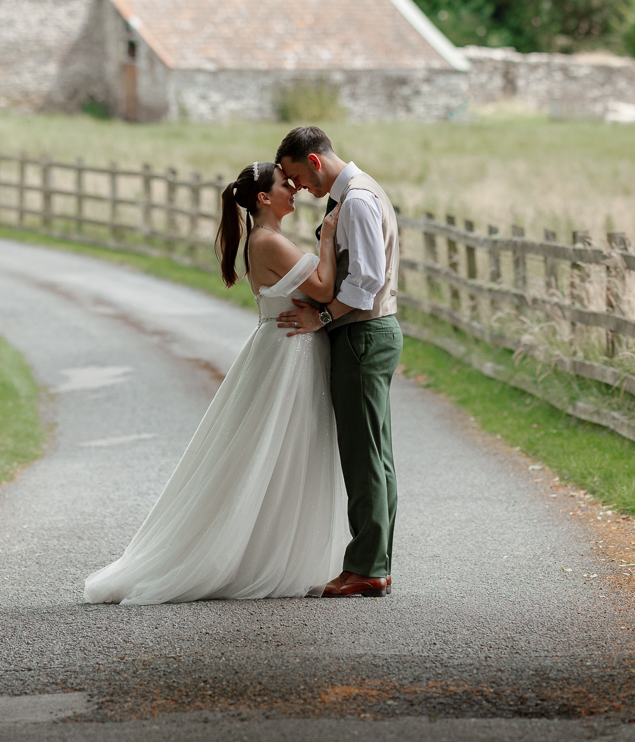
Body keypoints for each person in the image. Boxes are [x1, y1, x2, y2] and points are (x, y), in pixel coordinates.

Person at [83, 161, 347, 604]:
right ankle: (255, 556)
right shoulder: (267, 242)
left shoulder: (268, 239)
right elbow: (322, 287)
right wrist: (326, 240)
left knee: (285, 452)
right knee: (270, 452)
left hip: (288, 349)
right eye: (286, 185)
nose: (294, 191)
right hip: (287, 355)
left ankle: (282, 549)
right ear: (264, 198)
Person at [274, 126, 402, 599]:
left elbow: (366, 279)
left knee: (363, 455)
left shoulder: (358, 200)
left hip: (362, 334)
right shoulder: (356, 193)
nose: (299, 188)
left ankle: (368, 567)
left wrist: (322, 315)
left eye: (296, 177)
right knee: (375, 454)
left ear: (313, 159)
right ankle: (374, 563)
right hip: (367, 332)